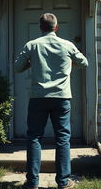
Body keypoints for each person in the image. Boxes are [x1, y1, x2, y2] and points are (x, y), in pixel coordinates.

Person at [14, 13, 88, 189]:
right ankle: (63, 182)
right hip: (61, 97)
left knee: (34, 138)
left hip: (38, 98)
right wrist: (69, 62)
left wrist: (32, 62)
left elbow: (17, 67)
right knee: (62, 138)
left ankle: (32, 182)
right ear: (56, 27)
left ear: (41, 28)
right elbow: (84, 63)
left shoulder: (32, 45)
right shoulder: (67, 45)